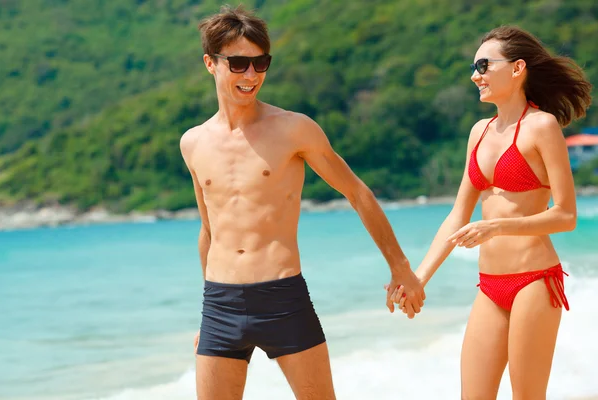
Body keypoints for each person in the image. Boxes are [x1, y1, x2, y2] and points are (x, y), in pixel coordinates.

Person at [180, 5, 425, 400]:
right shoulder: (192, 143)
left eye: (261, 63)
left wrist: (401, 268)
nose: (251, 75)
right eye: (239, 63)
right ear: (211, 63)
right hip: (220, 305)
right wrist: (206, 315)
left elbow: (358, 193)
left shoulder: (294, 129)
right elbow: (210, 229)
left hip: (282, 298)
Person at [390, 26, 592, 398]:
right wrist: (418, 277)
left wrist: (497, 226)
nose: (475, 75)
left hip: (534, 280)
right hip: (490, 287)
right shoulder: (478, 132)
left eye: (484, 65)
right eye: (473, 66)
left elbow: (566, 215)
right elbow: (457, 216)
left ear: (517, 69)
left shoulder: (541, 127)